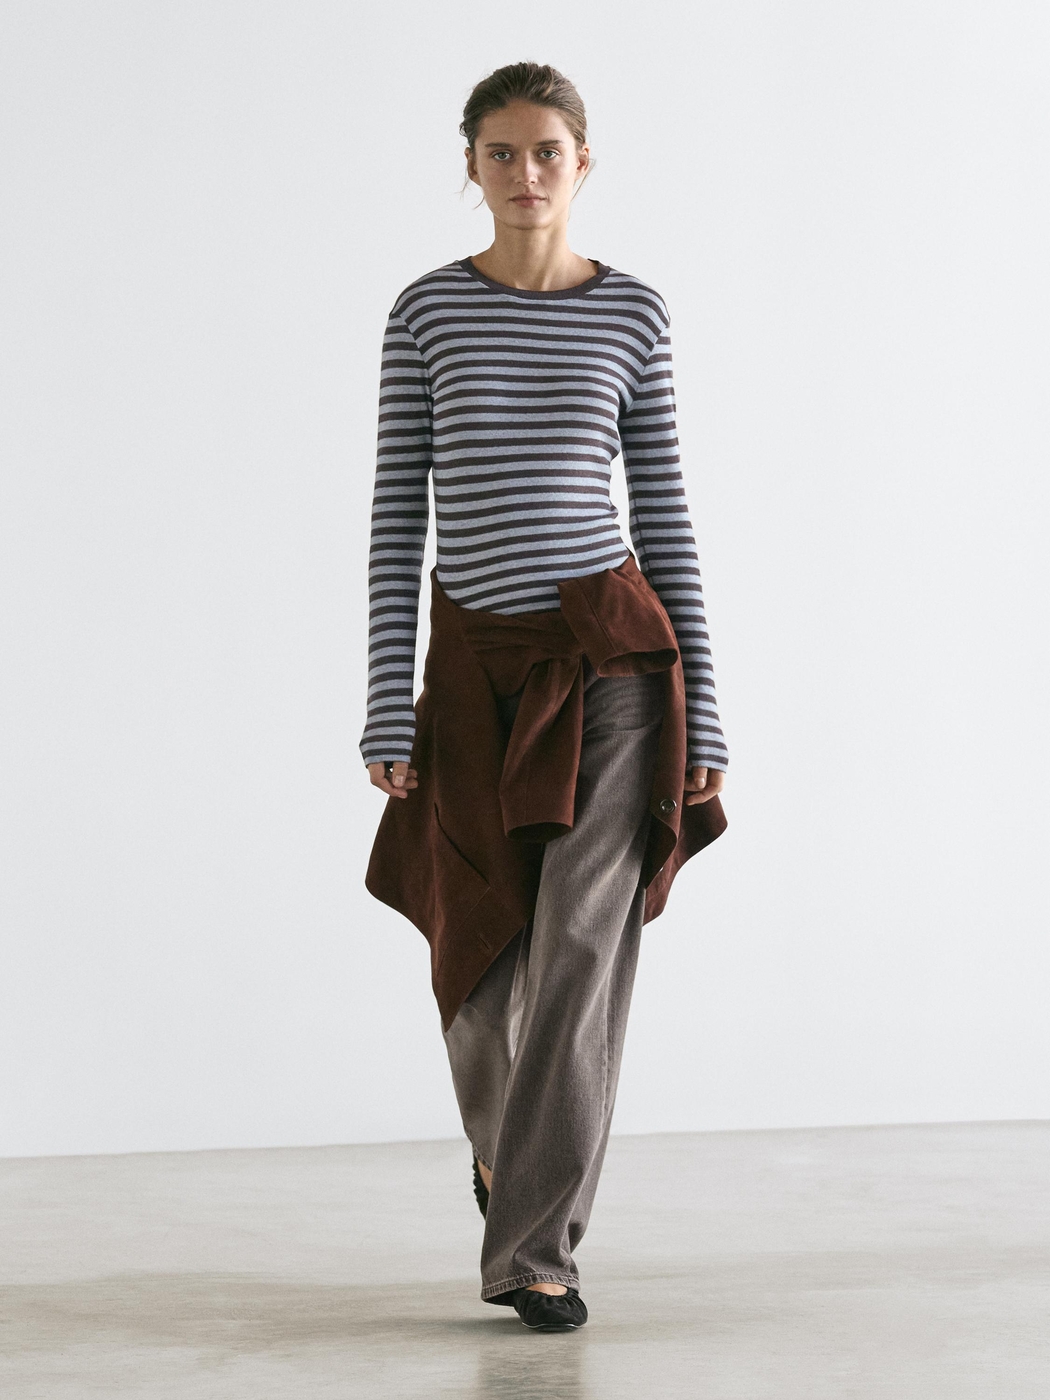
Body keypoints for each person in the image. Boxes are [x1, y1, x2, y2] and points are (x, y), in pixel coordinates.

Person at [360, 61, 728, 1332]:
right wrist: (385, 697)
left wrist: (707, 710)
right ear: (470, 166)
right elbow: (396, 516)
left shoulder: (633, 313)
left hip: (614, 664)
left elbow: (666, 517)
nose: (526, 174)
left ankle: (534, 1248)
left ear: (583, 163)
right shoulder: (426, 312)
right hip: (472, 669)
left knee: (580, 944)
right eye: (502, 152)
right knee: (476, 947)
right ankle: (510, 1155)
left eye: (548, 151)